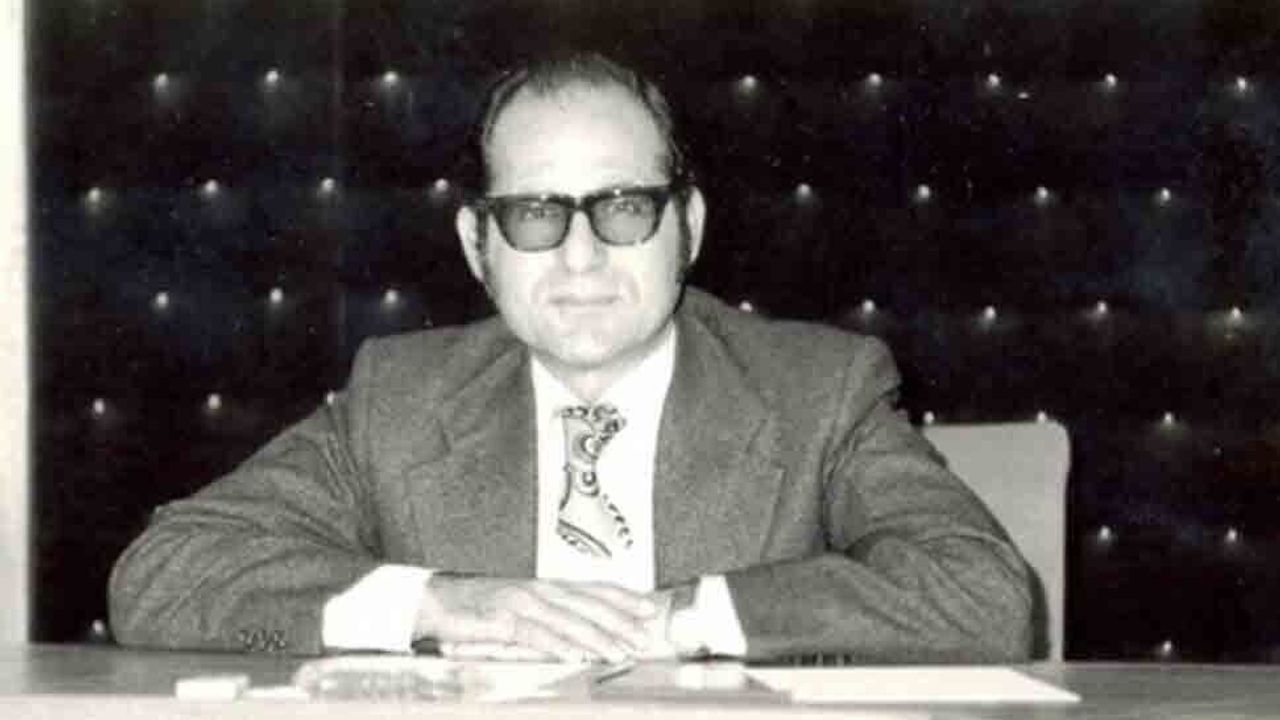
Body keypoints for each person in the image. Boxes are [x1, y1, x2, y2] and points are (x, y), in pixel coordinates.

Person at [108, 52, 1033, 663]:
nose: (581, 257)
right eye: (535, 215)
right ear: (478, 246)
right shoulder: (401, 397)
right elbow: (162, 575)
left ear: (688, 226)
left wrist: (686, 618)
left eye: (624, 208)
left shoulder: (819, 390)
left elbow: (984, 595)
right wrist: (438, 604)